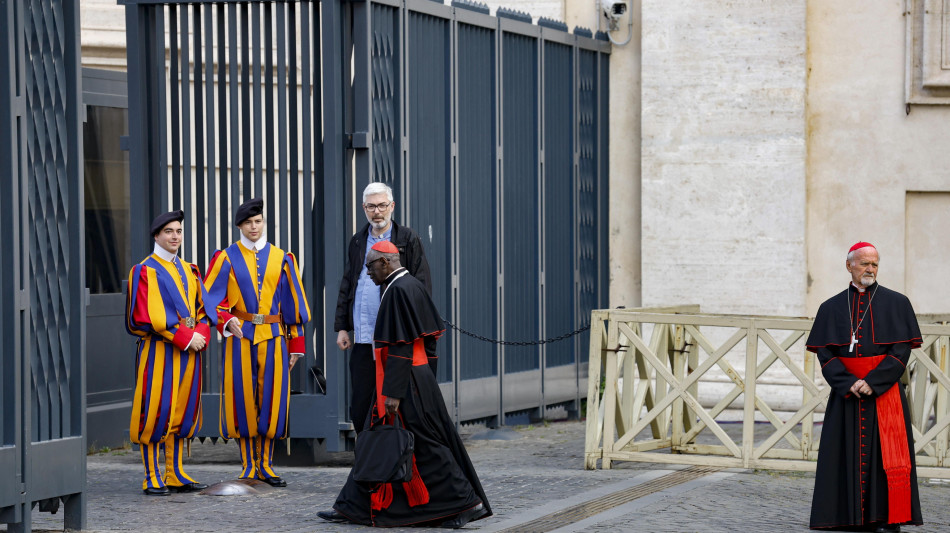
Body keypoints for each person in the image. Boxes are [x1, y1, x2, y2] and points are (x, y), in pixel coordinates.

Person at [318, 241, 491, 528]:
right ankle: (352, 505)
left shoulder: (397, 290)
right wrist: (426, 379)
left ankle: (467, 500)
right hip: (415, 376)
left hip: (402, 380)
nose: (369, 273)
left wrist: (393, 393)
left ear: (385, 262)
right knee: (379, 437)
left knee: (423, 443)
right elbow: (430, 341)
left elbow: (401, 345)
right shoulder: (412, 285)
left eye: (371, 266)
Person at [806, 242, 923, 532]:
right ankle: (843, 517)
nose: (870, 269)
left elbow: (900, 351)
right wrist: (849, 383)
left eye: (874, 264)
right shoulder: (830, 307)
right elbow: (825, 353)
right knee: (841, 455)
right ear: (849, 266)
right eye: (863, 264)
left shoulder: (897, 303)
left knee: (887, 457)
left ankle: (887, 518)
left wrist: (873, 382)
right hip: (847, 393)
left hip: (884, 395)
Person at [203, 198, 311, 487]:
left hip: (274, 337)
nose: (254, 226)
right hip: (240, 337)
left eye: (258, 221)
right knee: (243, 399)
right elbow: (211, 298)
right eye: (249, 222)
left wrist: (296, 346)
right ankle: (249, 465)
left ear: (264, 223)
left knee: (271, 400)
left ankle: (267, 465)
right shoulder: (226, 257)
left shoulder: (282, 257)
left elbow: (293, 305)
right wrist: (225, 320)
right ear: (239, 225)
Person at [125, 210, 211, 495]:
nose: (175, 237)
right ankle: (152, 476)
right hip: (160, 350)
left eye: (178, 231)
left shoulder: (190, 269)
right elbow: (147, 316)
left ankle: (174, 472)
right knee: (155, 411)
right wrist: (188, 338)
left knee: (181, 411)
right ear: (156, 235)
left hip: (189, 351)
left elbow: (203, 308)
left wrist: (201, 333)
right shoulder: (144, 270)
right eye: (169, 232)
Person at [334, 182, 431, 434]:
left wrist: (416, 327)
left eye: (382, 205)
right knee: (361, 404)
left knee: (397, 401)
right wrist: (343, 327)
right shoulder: (358, 240)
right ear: (364, 208)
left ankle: (399, 458)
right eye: (371, 206)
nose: (377, 212)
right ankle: (367, 458)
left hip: (395, 337)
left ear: (392, 206)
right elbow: (349, 282)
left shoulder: (407, 239)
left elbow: (420, 284)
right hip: (364, 336)